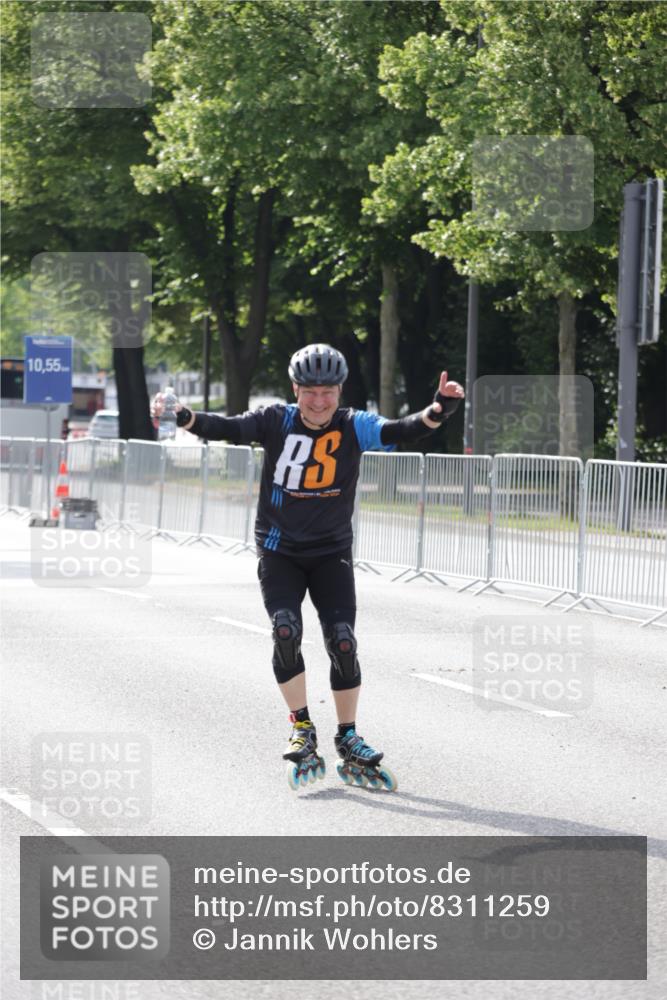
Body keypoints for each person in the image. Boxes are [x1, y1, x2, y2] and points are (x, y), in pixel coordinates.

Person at [152, 343, 464, 790]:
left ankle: (348, 736)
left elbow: (401, 430)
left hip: (331, 550)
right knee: (285, 630)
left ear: (340, 391)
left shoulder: (354, 424)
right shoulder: (275, 420)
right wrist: (183, 415)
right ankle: (301, 726)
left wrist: (439, 409)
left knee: (342, 642)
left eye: (328, 392)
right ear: (296, 389)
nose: (319, 402)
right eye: (310, 392)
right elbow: (225, 427)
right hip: (280, 550)